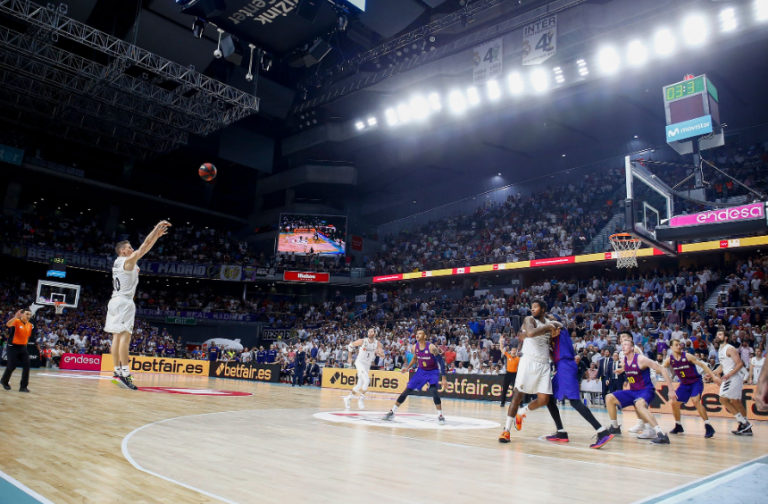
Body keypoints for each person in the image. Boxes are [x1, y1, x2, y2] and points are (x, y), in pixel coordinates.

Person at [105, 220, 170, 390]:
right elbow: (144, 247)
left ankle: (117, 372)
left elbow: (145, 249)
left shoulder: (118, 262)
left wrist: (156, 237)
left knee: (116, 338)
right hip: (124, 302)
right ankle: (125, 374)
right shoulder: (127, 261)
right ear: (122, 251)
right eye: (129, 247)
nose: (132, 249)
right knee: (125, 339)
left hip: (114, 301)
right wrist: (155, 229)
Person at [499, 299, 562, 443]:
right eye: (531, 307)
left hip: (544, 363)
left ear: (543, 309)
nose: (532, 309)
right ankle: (506, 430)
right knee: (517, 396)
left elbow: (548, 342)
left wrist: (557, 362)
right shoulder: (529, 319)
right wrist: (547, 328)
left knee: (544, 399)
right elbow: (531, 333)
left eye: (535, 307)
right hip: (529, 361)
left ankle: (522, 412)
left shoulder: (549, 323)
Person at [545, 318, 615, 449]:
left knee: (574, 401)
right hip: (561, 367)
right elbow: (553, 357)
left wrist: (547, 324)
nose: (549, 322)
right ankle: (561, 432)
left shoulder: (562, 331)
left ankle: (602, 431)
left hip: (566, 366)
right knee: (548, 397)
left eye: (551, 320)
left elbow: (558, 324)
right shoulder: (552, 339)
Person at [605, 334, 674, 445]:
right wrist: (622, 370)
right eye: (622, 344)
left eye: (626, 344)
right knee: (609, 397)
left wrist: (671, 390)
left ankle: (661, 434)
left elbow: (662, 369)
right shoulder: (625, 359)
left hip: (645, 390)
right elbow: (629, 367)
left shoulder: (641, 359)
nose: (623, 346)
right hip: (633, 391)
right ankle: (615, 427)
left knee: (639, 404)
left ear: (632, 348)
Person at [382, 329, 447, 423]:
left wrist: (444, 378)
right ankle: (392, 412)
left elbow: (441, 362)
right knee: (407, 390)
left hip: (432, 371)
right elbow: (415, 358)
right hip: (421, 371)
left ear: (425, 336)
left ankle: (440, 415)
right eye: (417, 333)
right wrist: (407, 368)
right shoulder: (414, 347)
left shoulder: (431, 347)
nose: (417, 335)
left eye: (420, 333)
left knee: (433, 391)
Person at [661, 339, 720, 438]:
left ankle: (708, 426)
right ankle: (678, 425)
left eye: (679, 344)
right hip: (684, 384)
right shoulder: (669, 360)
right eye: (676, 345)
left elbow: (703, 365)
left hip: (695, 382)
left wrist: (713, 377)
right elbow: (660, 368)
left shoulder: (687, 356)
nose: (679, 346)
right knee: (674, 403)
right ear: (671, 347)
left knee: (695, 401)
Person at [712, 330, 753, 435]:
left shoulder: (730, 348)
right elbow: (722, 366)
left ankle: (744, 423)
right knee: (736, 402)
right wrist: (712, 373)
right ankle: (746, 427)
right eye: (717, 334)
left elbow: (740, 364)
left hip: (732, 378)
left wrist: (729, 374)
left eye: (720, 334)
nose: (717, 336)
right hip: (730, 377)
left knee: (723, 399)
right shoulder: (720, 350)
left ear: (726, 337)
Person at [344, 328, 384, 409]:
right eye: (369, 331)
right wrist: (349, 357)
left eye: (371, 331)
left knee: (359, 385)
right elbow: (350, 345)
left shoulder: (378, 343)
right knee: (367, 380)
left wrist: (379, 354)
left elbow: (383, 356)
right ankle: (361, 399)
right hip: (360, 362)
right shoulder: (362, 341)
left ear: (375, 334)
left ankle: (348, 398)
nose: (370, 333)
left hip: (367, 365)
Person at [1, 309, 34, 393]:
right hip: (12, 346)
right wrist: (15, 317)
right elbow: (8, 324)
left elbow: (27, 337)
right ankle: (4, 381)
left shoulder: (30, 325)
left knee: (27, 366)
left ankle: (23, 387)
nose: (28, 316)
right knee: (11, 366)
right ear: (22, 315)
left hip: (22, 347)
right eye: (27, 314)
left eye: (29, 314)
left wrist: (25, 346)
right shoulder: (16, 321)